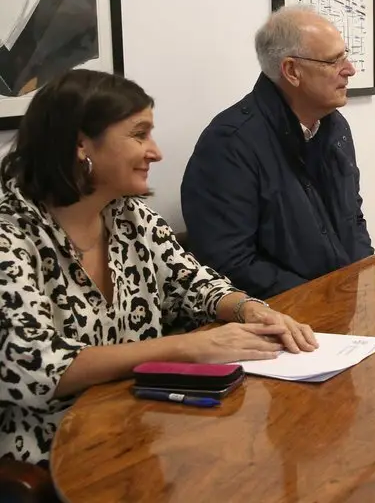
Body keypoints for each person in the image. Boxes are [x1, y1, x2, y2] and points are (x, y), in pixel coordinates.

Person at [0, 70, 318, 466]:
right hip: (57, 448)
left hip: (143, 423)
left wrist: (251, 310)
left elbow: (196, 284)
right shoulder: (9, 233)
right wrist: (187, 347)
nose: (156, 152)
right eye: (139, 134)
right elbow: (36, 367)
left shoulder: (128, 214)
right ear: (81, 143)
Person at [181, 5, 374, 299]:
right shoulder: (230, 144)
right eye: (334, 61)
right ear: (292, 71)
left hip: (340, 305)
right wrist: (319, 297)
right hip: (281, 317)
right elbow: (229, 262)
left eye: (345, 56)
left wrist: (362, 279)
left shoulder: (335, 128)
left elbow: (352, 219)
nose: (349, 70)